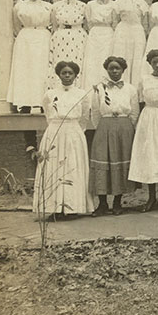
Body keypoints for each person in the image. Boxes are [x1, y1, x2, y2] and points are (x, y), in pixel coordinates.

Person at [32, 61, 93, 218]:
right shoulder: (50, 94)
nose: (67, 76)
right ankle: (53, 208)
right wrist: (55, 128)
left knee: (72, 166)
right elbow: (47, 114)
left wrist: (74, 131)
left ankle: (73, 207)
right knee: (53, 166)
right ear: (58, 75)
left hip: (73, 132)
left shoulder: (82, 94)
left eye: (70, 73)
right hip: (54, 132)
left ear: (75, 75)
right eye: (64, 73)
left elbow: (84, 116)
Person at [128, 50, 158, 213]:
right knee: (150, 156)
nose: (157, 65)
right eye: (154, 62)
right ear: (150, 63)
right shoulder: (144, 80)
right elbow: (139, 102)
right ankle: (151, 197)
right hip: (148, 119)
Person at [90, 56, 140, 216]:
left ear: (123, 70)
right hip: (104, 126)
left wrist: (126, 127)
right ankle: (102, 203)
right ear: (107, 70)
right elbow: (96, 112)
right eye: (111, 68)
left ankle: (118, 202)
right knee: (103, 163)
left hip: (124, 127)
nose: (114, 71)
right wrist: (104, 127)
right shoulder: (99, 88)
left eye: (117, 68)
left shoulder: (131, 89)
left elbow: (134, 113)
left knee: (120, 163)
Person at [7, 0, 52, 112]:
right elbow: (15, 25)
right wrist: (24, 33)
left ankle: (41, 102)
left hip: (43, 37)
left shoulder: (48, 6)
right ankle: (24, 102)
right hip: (25, 38)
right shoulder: (19, 6)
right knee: (25, 70)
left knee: (41, 69)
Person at [48, 0, 87, 88]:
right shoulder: (56, 6)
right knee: (60, 62)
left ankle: (76, 89)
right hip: (60, 36)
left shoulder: (83, 6)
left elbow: (87, 24)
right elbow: (54, 25)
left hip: (78, 36)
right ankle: (58, 89)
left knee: (77, 61)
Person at [112, 0, 149, 86]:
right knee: (123, 56)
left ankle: (136, 87)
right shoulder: (118, 2)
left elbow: (145, 23)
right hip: (122, 31)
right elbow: (115, 21)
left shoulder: (142, 2)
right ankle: (122, 84)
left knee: (137, 58)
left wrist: (144, 34)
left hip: (137, 32)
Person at [82, 0, 117, 89]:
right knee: (93, 60)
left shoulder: (114, 5)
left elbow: (115, 22)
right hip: (94, 34)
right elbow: (88, 22)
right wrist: (95, 31)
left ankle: (106, 87)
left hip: (108, 34)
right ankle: (91, 89)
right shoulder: (90, 4)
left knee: (105, 58)